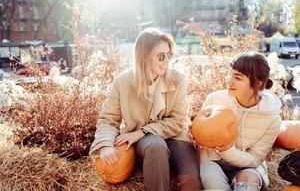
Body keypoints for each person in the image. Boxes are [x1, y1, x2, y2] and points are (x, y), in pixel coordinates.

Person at [89, 28, 201, 191]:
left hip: (176, 137)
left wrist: (141, 132)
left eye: (169, 55)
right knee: (155, 145)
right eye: (161, 56)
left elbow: (179, 121)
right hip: (145, 143)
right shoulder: (123, 82)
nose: (166, 61)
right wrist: (105, 145)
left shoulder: (178, 80)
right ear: (144, 56)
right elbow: (108, 119)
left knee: (191, 182)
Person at [198, 52, 282, 191]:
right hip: (213, 161)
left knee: (248, 183)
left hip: (248, 166)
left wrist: (227, 150)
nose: (229, 81)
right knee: (212, 179)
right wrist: (194, 132)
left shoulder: (272, 118)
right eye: (230, 75)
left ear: (257, 83)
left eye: (237, 78)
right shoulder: (216, 99)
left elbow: (255, 159)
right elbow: (202, 130)